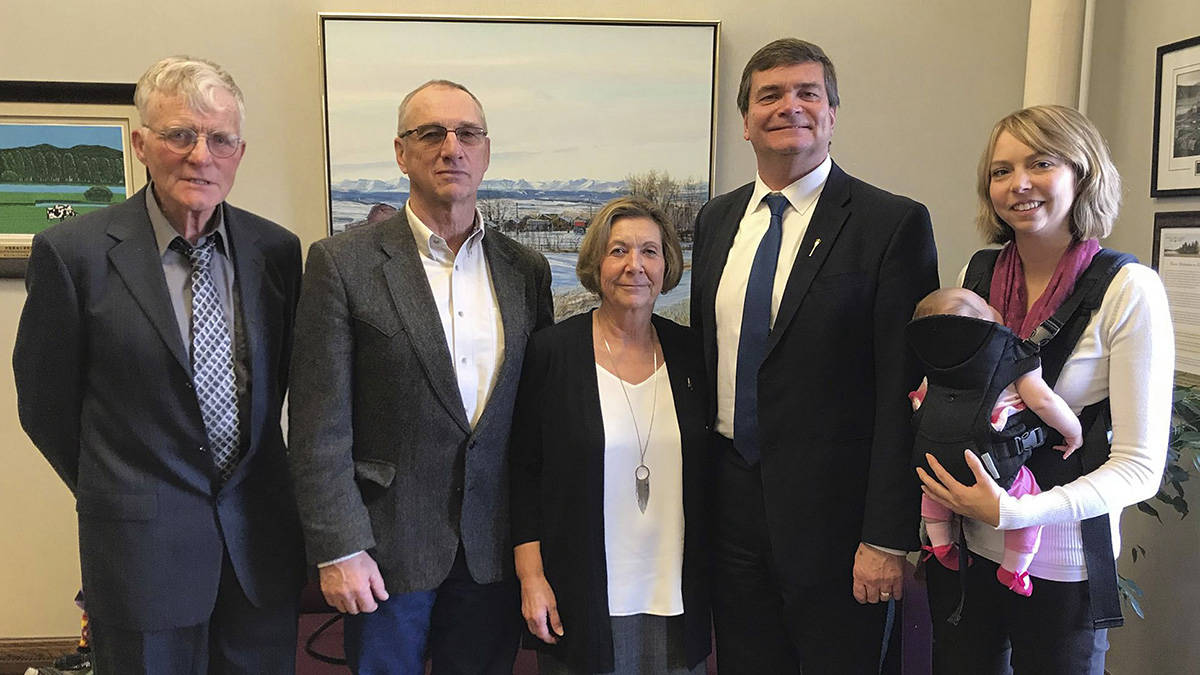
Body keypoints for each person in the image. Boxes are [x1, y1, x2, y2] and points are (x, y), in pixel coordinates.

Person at [13, 55, 305, 674]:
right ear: (143, 143)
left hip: (260, 549)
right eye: (180, 134)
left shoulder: (276, 252)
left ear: (239, 151)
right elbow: (45, 406)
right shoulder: (75, 253)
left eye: (219, 139)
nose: (201, 155)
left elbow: (283, 388)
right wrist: (122, 486)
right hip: (139, 551)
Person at [689, 37, 939, 673]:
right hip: (730, 505)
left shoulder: (891, 224)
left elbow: (901, 393)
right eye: (769, 95)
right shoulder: (716, 222)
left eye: (808, 93)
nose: (789, 107)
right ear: (744, 121)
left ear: (832, 113)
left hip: (840, 523)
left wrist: (886, 535)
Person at [288, 79, 554, 674]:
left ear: (486, 152)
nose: (450, 148)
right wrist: (338, 546)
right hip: (384, 551)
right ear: (401, 152)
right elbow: (316, 424)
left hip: (493, 551)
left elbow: (532, 425)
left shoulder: (525, 269)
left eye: (467, 134)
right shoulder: (342, 263)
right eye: (430, 133)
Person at [917, 104, 1173, 674]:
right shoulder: (977, 277)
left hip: (1064, 563)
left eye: (1041, 163)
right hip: (963, 547)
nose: (1018, 184)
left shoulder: (1129, 289)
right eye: (1001, 170)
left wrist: (1017, 510)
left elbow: (1139, 467)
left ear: (1082, 174)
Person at [510, 197, 711, 674]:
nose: (634, 266)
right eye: (618, 250)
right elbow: (523, 474)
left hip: (675, 593)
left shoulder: (691, 355)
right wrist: (531, 577)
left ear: (667, 265)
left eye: (649, 251)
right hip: (582, 596)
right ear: (596, 262)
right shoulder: (551, 353)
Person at [908, 287, 1083, 596]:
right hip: (992, 461)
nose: (991, 305)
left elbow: (921, 397)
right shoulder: (1010, 354)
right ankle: (1015, 568)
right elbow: (1044, 401)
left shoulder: (933, 361)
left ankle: (939, 544)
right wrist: (1073, 431)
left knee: (935, 489)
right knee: (1025, 500)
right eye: (984, 308)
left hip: (932, 453)